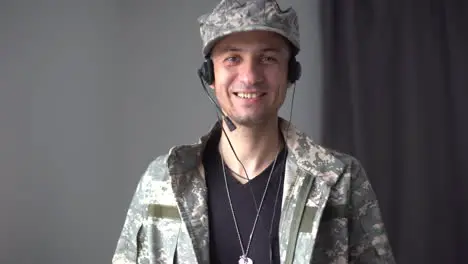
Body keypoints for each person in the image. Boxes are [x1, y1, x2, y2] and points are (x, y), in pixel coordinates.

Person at [112, 0, 396, 263]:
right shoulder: (163, 181)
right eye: (232, 58)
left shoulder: (339, 180)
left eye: (268, 59)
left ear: (291, 74)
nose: (250, 77)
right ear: (210, 76)